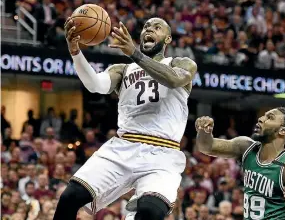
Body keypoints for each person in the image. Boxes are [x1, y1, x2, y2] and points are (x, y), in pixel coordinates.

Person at [54, 17, 197, 220]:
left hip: (162, 154)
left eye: (157, 27)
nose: (150, 29)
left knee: (149, 212)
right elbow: (95, 85)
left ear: (168, 39)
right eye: (146, 26)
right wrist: (75, 52)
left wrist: (134, 53)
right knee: (70, 196)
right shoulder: (122, 69)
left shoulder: (181, 63)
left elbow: (174, 80)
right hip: (123, 145)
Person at [195, 107, 285, 220]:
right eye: (263, 115)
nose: (261, 119)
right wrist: (204, 131)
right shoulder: (245, 147)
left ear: (283, 131)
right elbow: (206, 147)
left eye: (270, 117)